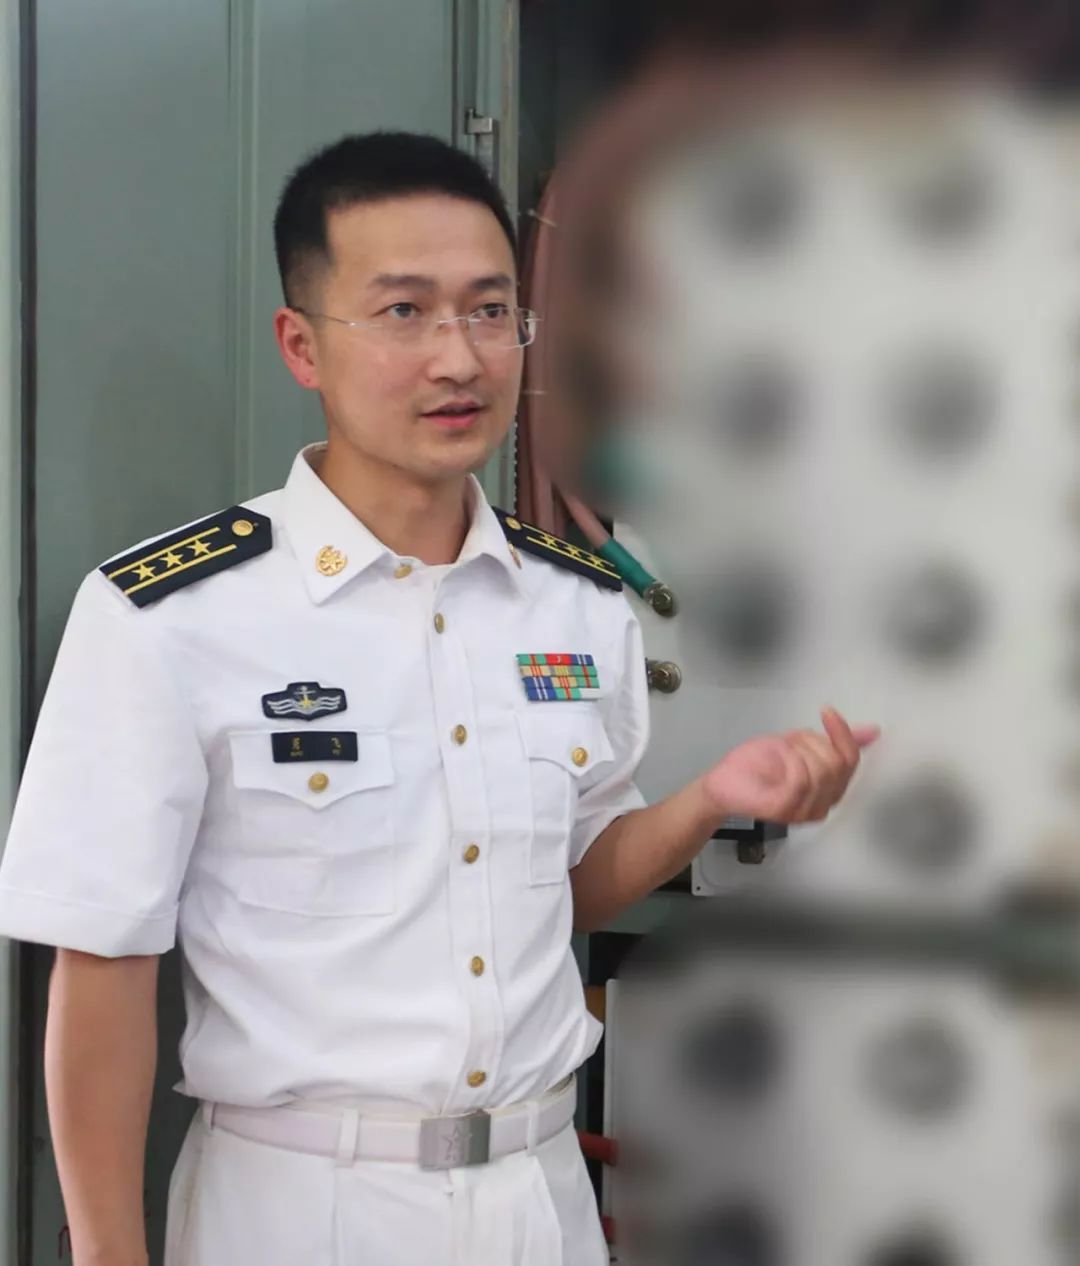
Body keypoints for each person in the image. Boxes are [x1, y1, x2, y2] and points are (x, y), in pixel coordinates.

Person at [0, 132, 878, 1266]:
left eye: (489, 311)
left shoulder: (576, 605)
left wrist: (710, 798)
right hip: (301, 1208)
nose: (457, 358)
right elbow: (102, 968)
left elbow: (560, 891)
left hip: (538, 1198)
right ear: (302, 345)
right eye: (403, 312)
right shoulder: (172, 616)